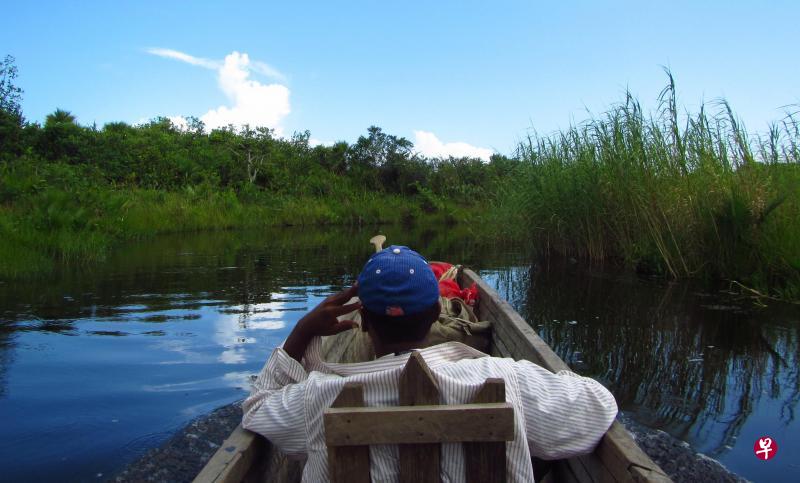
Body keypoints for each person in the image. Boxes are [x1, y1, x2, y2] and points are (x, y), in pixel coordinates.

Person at [243, 246, 617, 482]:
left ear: (364, 323)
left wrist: (301, 332)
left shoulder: (318, 397)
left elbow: (257, 409)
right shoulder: (505, 379)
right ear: (438, 311)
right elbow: (598, 410)